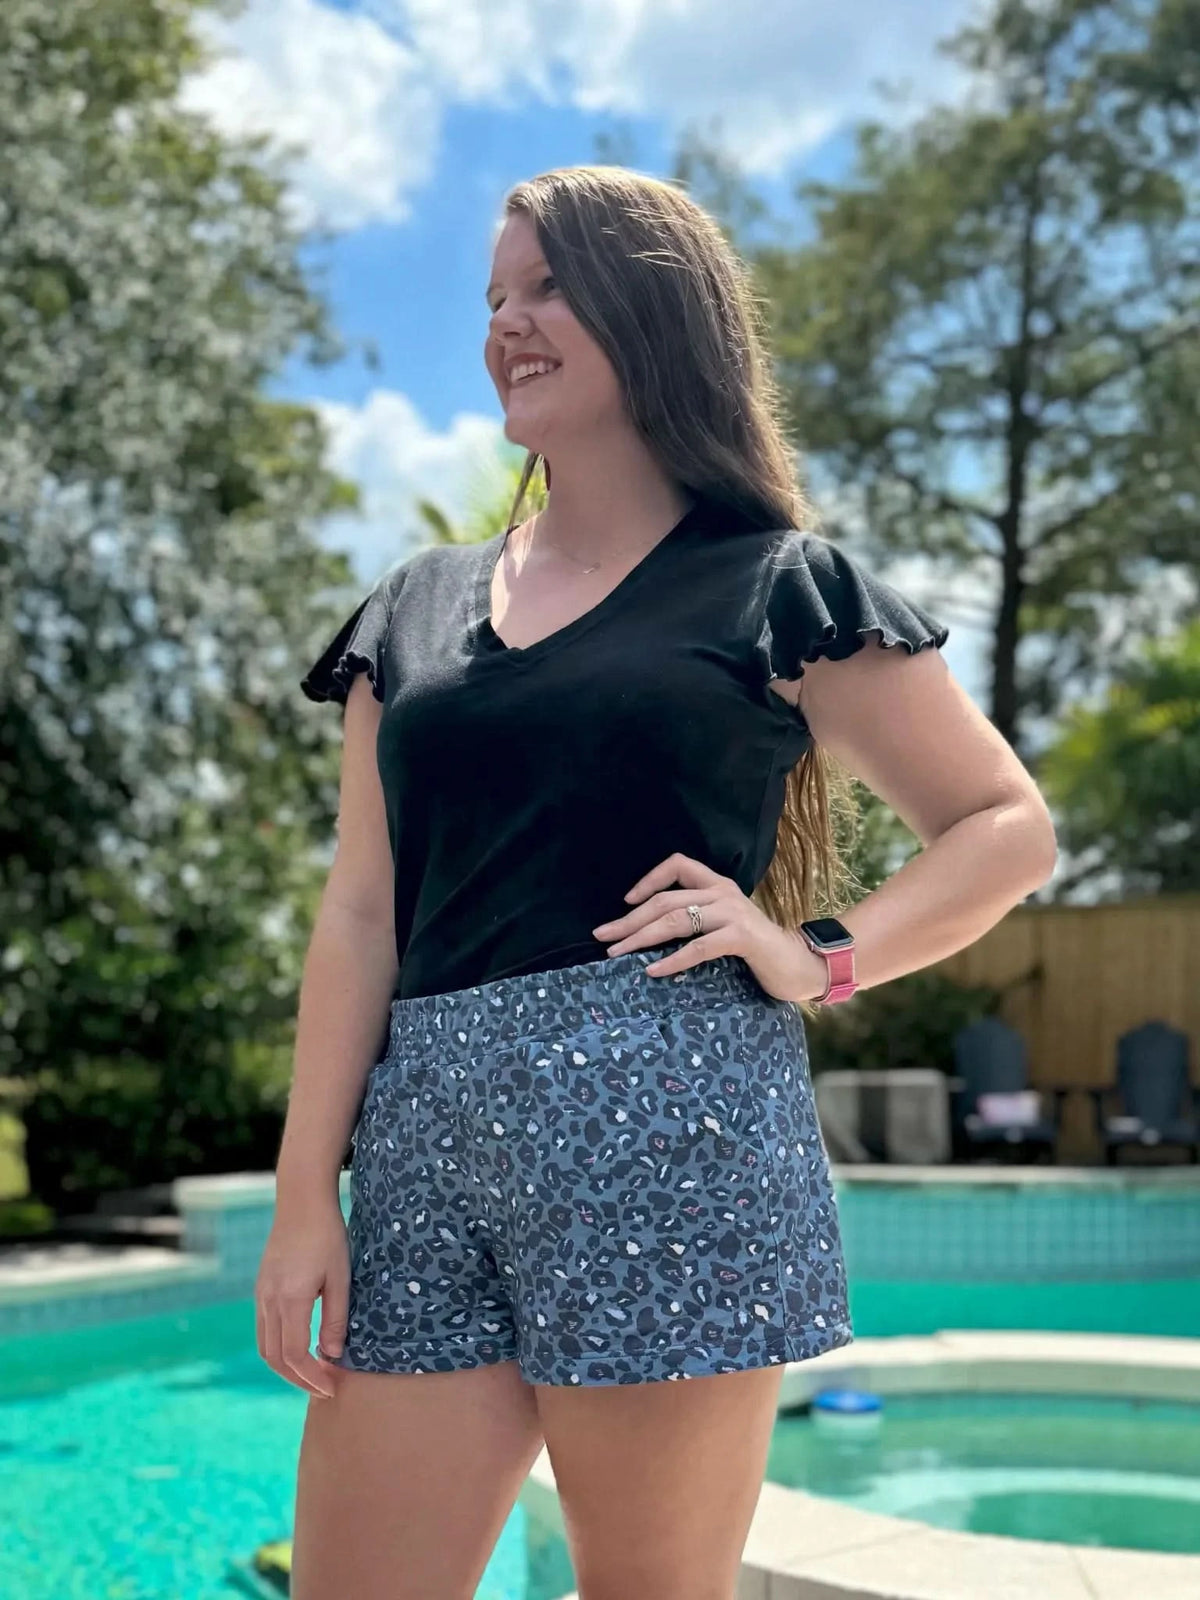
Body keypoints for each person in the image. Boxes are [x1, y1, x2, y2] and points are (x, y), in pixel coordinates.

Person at [255, 165, 1057, 1600]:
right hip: (426, 1147)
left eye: (548, 287)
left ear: (657, 308)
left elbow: (1004, 826)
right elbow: (361, 910)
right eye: (496, 297)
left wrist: (821, 955)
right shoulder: (415, 606)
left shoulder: (774, 586)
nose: (509, 322)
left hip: (671, 1136)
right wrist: (305, 1192)